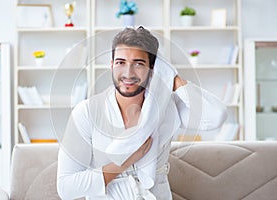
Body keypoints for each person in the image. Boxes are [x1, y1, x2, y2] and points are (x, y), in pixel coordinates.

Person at [57, 26, 227, 200]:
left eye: (139, 64)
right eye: (120, 62)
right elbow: (66, 188)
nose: (128, 73)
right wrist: (122, 163)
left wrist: (172, 78)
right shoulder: (87, 112)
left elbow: (215, 116)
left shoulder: (167, 108)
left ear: (154, 69)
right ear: (111, 64)